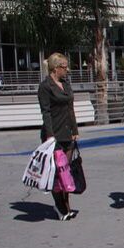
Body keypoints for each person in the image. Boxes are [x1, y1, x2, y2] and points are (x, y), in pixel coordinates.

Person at [37, 53, 79, 221]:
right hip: (54, 134)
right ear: (55, 68)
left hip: (67, 132)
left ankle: (66, 204)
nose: (67, 70)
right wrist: (50, 135)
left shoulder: (66, 85)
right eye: (64, 67)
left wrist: (75, 130)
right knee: (56, 173)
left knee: (66, 172)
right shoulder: (45, 86)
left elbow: (70, 108)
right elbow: (45, 113)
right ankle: (60, 206)